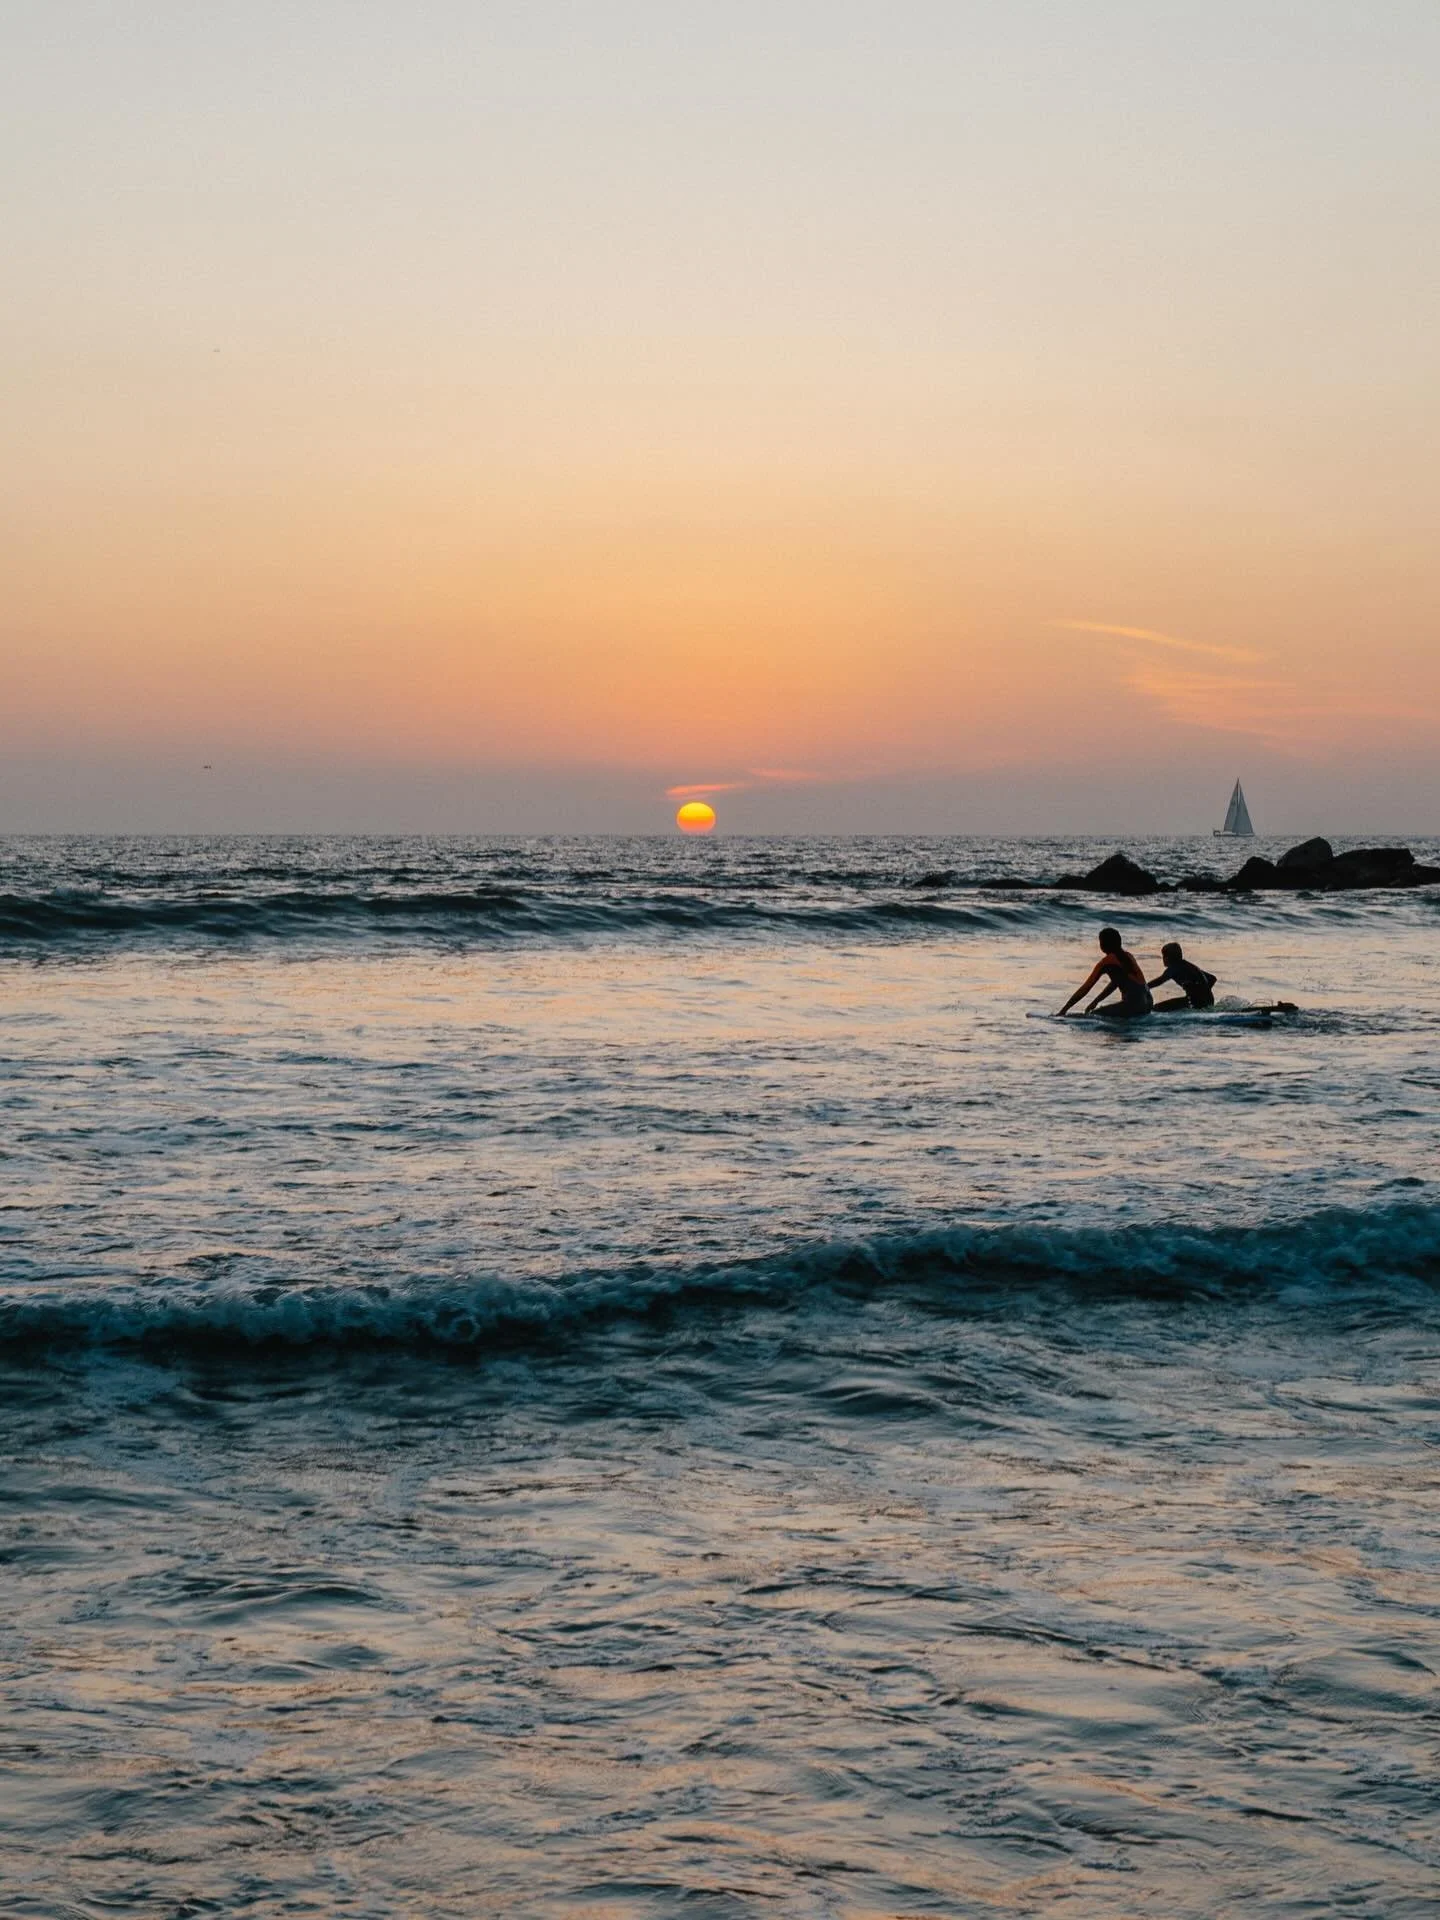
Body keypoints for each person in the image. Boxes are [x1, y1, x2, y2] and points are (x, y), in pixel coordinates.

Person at [1058, 927, 1153, 1019]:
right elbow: (1115, 983)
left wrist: (1064, 1010)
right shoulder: (1128, 956)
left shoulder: (1106, 962)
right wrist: (1096, 1001)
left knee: (1092, 1016)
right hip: (1148, 1003)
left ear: (1102, 945)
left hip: (1133, 1005)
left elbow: (1086, 988)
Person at [1148, 941, 1217, 1012]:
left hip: (1195, 1002)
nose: (1163, 959)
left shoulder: (1174, 967)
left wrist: (1145, 987)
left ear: (1168, 957)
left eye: (1164, 956)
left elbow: (1160, 981)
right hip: (1208, 1001)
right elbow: (1212, 978)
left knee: (1157, 1008)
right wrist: (1203, 991)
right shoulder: (1188, 966)